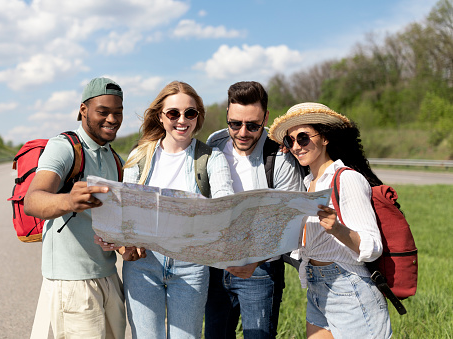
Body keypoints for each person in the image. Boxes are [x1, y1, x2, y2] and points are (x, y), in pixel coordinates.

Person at [118, 81, 234, 338]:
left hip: (191, 265)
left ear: (198, 116)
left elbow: (225, 204)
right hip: (143, 264)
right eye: (173, 113)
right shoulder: (139, 156)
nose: (182, 120)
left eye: (190, 113)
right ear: (160, 116)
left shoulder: (211, 158)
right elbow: (126, 208)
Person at [268, 102, 392, 338]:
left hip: (349, 287)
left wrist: (337, 228)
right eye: (290, 141)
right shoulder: (308, 185)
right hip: (317, 287)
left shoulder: (346, 179)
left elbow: (373, 246)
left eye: (303, 138)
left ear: (324, 138)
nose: (296, 146)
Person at [25, 77, 127, 339]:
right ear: (83, 110)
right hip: (72, 283)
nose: (112, 119)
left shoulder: (114, 157)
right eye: (103, 112)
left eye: (118, 112)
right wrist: (69, 201)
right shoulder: (64, 147)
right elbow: (33, 200)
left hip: (108, 275)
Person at [204, 81, 305, 338]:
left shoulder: (280, 156)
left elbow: (289, 220)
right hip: (216, 268)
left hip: (260, 270)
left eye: (253, 125)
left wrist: (255, 261)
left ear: (266, 118)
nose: (242, 132)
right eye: (235, 123)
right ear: (227, 114)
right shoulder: (214, 143)